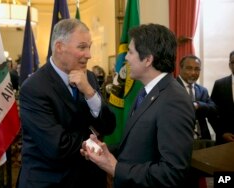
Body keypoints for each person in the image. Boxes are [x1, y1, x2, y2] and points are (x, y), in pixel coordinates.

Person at [81, 23, 195, 188]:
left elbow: (172, 173)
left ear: (148, 59)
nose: (126, 57)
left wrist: (115, 168)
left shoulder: (174, 100)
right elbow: (137, 147)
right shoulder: (146, 91)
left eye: (131, 52)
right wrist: (103, 151)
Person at [16, 18, 116, 188]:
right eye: (82, 47)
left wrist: (90, 92)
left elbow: (108, 126)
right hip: (51, 181)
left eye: (89, 47)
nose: (89, 55)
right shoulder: (34, 88)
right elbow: (57, 147)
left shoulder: (89, 78)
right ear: (59, 47)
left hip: (89, 179)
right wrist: (91, 141)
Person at [176, 55, 217, 141]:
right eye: (189, 68)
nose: (193, 73)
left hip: (202, 139)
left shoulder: (202, 90)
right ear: (180, 68)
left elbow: (213, 109)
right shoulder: (170, 87)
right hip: (179, 139)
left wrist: (198, 105)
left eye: (197, 69)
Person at [211, 50, 234, 144]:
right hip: (224, 141)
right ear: (230, 65)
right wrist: (221, 133)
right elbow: (211, 113)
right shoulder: (219, 84)